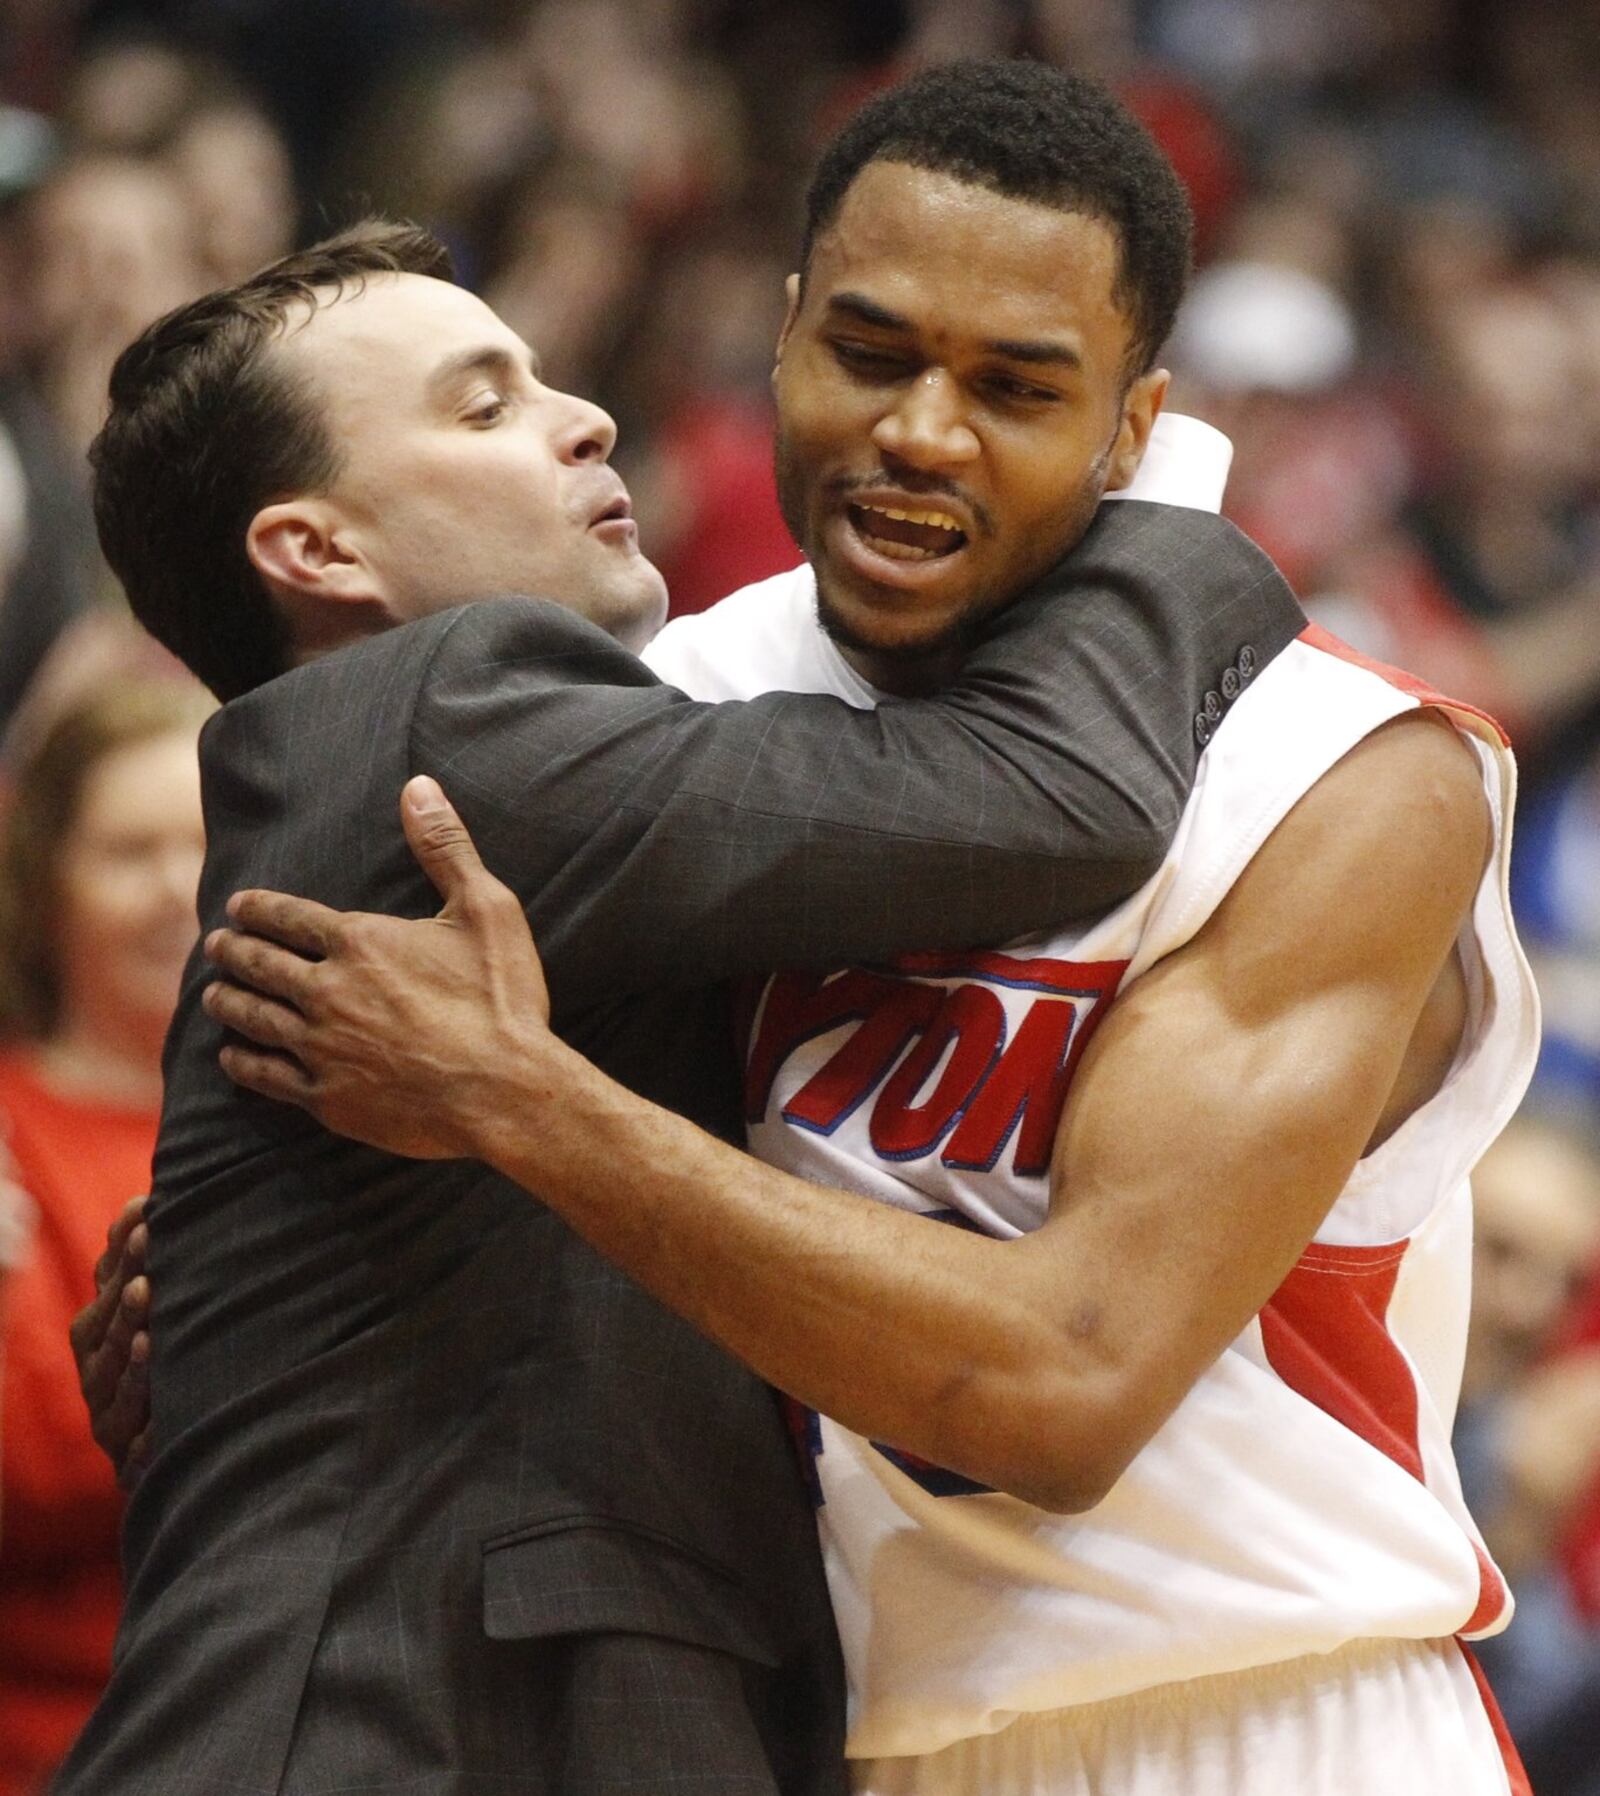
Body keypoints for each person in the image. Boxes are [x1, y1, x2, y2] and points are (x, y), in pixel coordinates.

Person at [186, 63, 1539, 1796]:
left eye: (1016, 388)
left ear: (1136, 431)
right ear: (783, 331)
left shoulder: (1339, 770)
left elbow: (1068, 1384)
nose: (922, 431)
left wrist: (519, 1099)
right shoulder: (677, 692)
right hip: (855, 1737)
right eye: (874, 352)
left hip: (1269, 1716)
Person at [0, 678, 207, 1795]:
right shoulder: (11, 1127)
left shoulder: (341, 1118)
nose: (182, 891)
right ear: (47, 881)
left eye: (209, 847)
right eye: (131, 852)